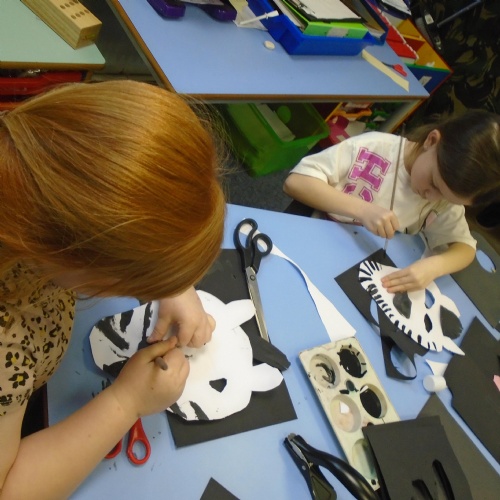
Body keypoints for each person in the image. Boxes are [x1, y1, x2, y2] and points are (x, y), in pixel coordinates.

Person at [0, 80, 226, 498]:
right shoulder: (6, 345)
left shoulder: (27, 152)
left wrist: (170, 280)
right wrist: (125, 403)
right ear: (79, 257)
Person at [284, 110, 500, 293]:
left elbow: (465, 248)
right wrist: (363, 210)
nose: (432, 197)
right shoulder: (374, 147)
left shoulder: (445, 197)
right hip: (309, 239)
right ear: (431, 141)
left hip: (351, 267)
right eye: (434, 183)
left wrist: (435, 266)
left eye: (446, 197)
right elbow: (295, 182)